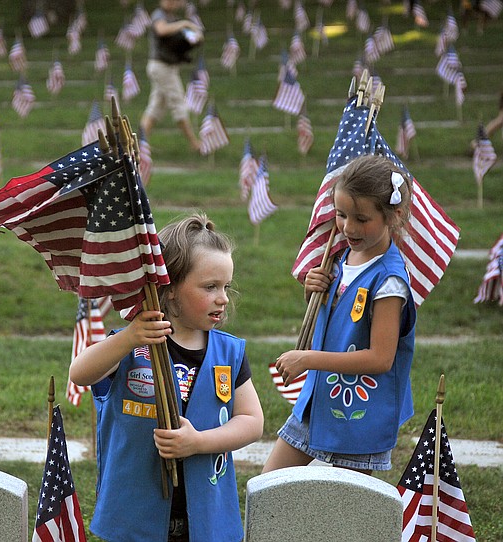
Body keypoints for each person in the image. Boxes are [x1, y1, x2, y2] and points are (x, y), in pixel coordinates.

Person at [70, 213, 263, 542]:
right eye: (210, 287)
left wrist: (198, 442)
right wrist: (129, 337)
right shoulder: (135, 344)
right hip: (135, 517)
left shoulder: (229, 353)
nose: (223, 297)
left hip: (204, 517)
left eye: (226, 287)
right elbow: (80, 372)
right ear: (170, 288)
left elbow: (252, 421)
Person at [263, 154, 417, 476]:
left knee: (346, 514)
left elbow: (380, 359)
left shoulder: (389, 281)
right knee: (269, 488)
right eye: (341, 214)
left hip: (359, 418)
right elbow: (343, 316)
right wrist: (316, 293)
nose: (348, 227)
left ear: (394, 215)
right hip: (316, 404)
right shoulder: (343, 256)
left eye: (361, 219)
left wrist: (308, 359)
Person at [139, 0, 203, 153]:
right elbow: (161, 30)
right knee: (178, 103)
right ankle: (194, 144)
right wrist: (184, 24)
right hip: (161, 66)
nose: (172, 2)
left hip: (168, 66)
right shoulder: (159, 15)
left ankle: (139, 144)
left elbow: (186, 38)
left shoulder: (172, 18)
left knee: (156, 107)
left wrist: (194, 37)